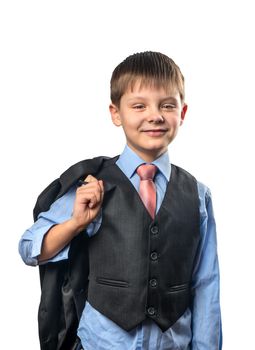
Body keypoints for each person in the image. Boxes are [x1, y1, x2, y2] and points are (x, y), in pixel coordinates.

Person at [19, 51, 222, 350]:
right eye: (139, 105)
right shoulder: (92, 184)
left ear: (183, 112)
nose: (155, 115)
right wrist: (76, 223)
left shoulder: (198, 195)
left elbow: (206, 284)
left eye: (167, 105)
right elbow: (29, 249)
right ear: (116, 113)